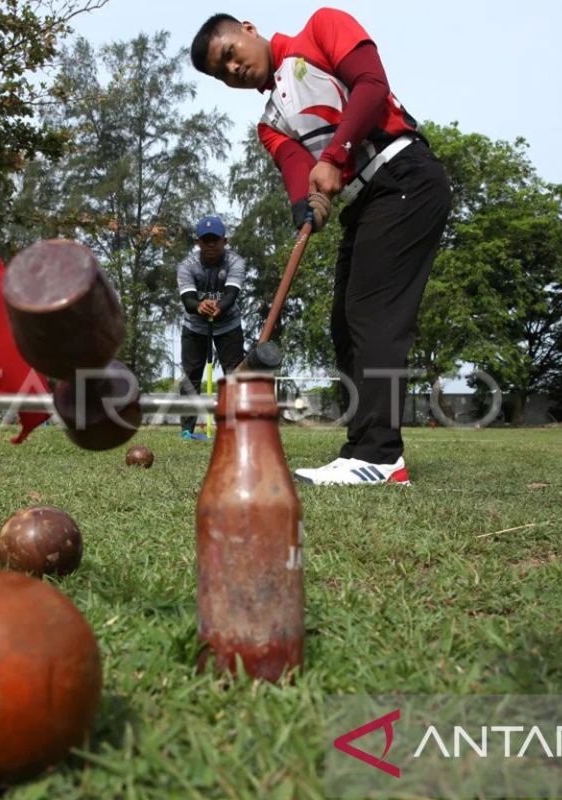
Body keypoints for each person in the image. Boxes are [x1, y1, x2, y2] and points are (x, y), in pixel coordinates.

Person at [191, 9, 451, 484]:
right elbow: (297, 173)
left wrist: (334, 157)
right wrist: (305, 209)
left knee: (371, 314)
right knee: (344, 324)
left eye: (230, 54)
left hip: (404, 176)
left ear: (248, 30)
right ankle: (363, 450)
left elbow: (371, 86)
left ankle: (379, 456)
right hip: (366, 203)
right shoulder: (269, 123)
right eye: (221, 73)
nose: (232, 70)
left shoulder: (322, 27)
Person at [176, 215, 247, 441]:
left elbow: (231, 295)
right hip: (195, 326)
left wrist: (218, 307)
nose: (210, 245)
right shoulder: (187, 266)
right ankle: (187, 430)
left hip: (229, 326)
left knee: (234, 375)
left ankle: (231, 427)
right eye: (205, 240)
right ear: (198, 242)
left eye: (214, 240)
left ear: (224, 241)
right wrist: (199, 306)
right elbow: (188, 302)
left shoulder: (235, 262)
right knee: (191, 376)